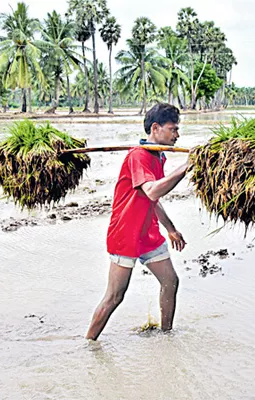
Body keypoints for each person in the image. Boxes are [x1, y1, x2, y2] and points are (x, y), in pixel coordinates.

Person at [86, 103, 190, 340]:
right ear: (155, 128)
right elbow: (153, 191)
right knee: (115, 296)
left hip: (148, 232)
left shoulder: (158, 156)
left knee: (170, 281)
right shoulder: (138, 156)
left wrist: (171, 228)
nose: (177, 135)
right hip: (126, 234)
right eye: (173, 129)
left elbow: (150, 199)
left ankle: (166, 337)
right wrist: (185, 167)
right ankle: (88, 344)